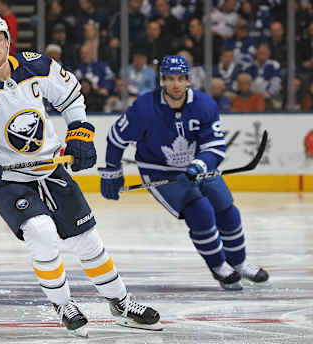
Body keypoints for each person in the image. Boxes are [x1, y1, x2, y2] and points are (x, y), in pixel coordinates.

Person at [0, 11, 161, 336]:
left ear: (8, 40)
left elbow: (71, 94)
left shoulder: (36, 65)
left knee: (88, 241)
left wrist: (79, 132)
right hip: (10, 182)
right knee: (42, 232)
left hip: (51, 170)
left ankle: (121, 303)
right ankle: (63, 304)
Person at [99, 55, 269, 291]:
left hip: (198, 167)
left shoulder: (204, 105)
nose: (176, 84)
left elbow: (215, 146)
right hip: (159, 171)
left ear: (188, 80)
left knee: (227, 209)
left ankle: (239, 263)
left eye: (181, 78)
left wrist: (201, 164)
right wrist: (111, 172)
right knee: (200, 211)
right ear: (162, 81)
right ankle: (219, 266)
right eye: (170, 79)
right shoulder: (144, 109)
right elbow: (116, 138)